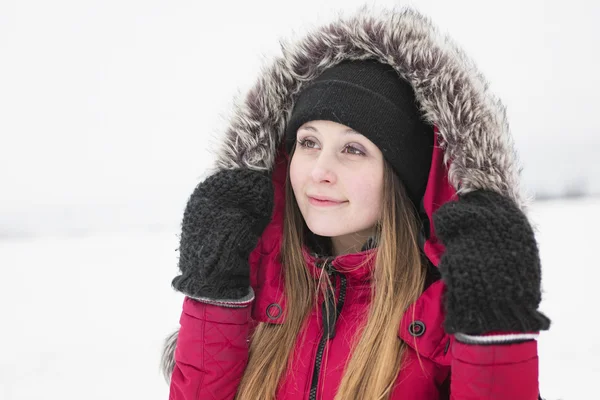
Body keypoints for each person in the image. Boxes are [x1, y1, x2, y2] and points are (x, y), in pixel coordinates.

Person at [160, 6, 550, 400]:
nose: (319, 171)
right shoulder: (254, 293)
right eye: (308, 142)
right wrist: (214, 295)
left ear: (399, 176)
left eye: (352, 149)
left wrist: (494, 330)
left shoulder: (445, 318)